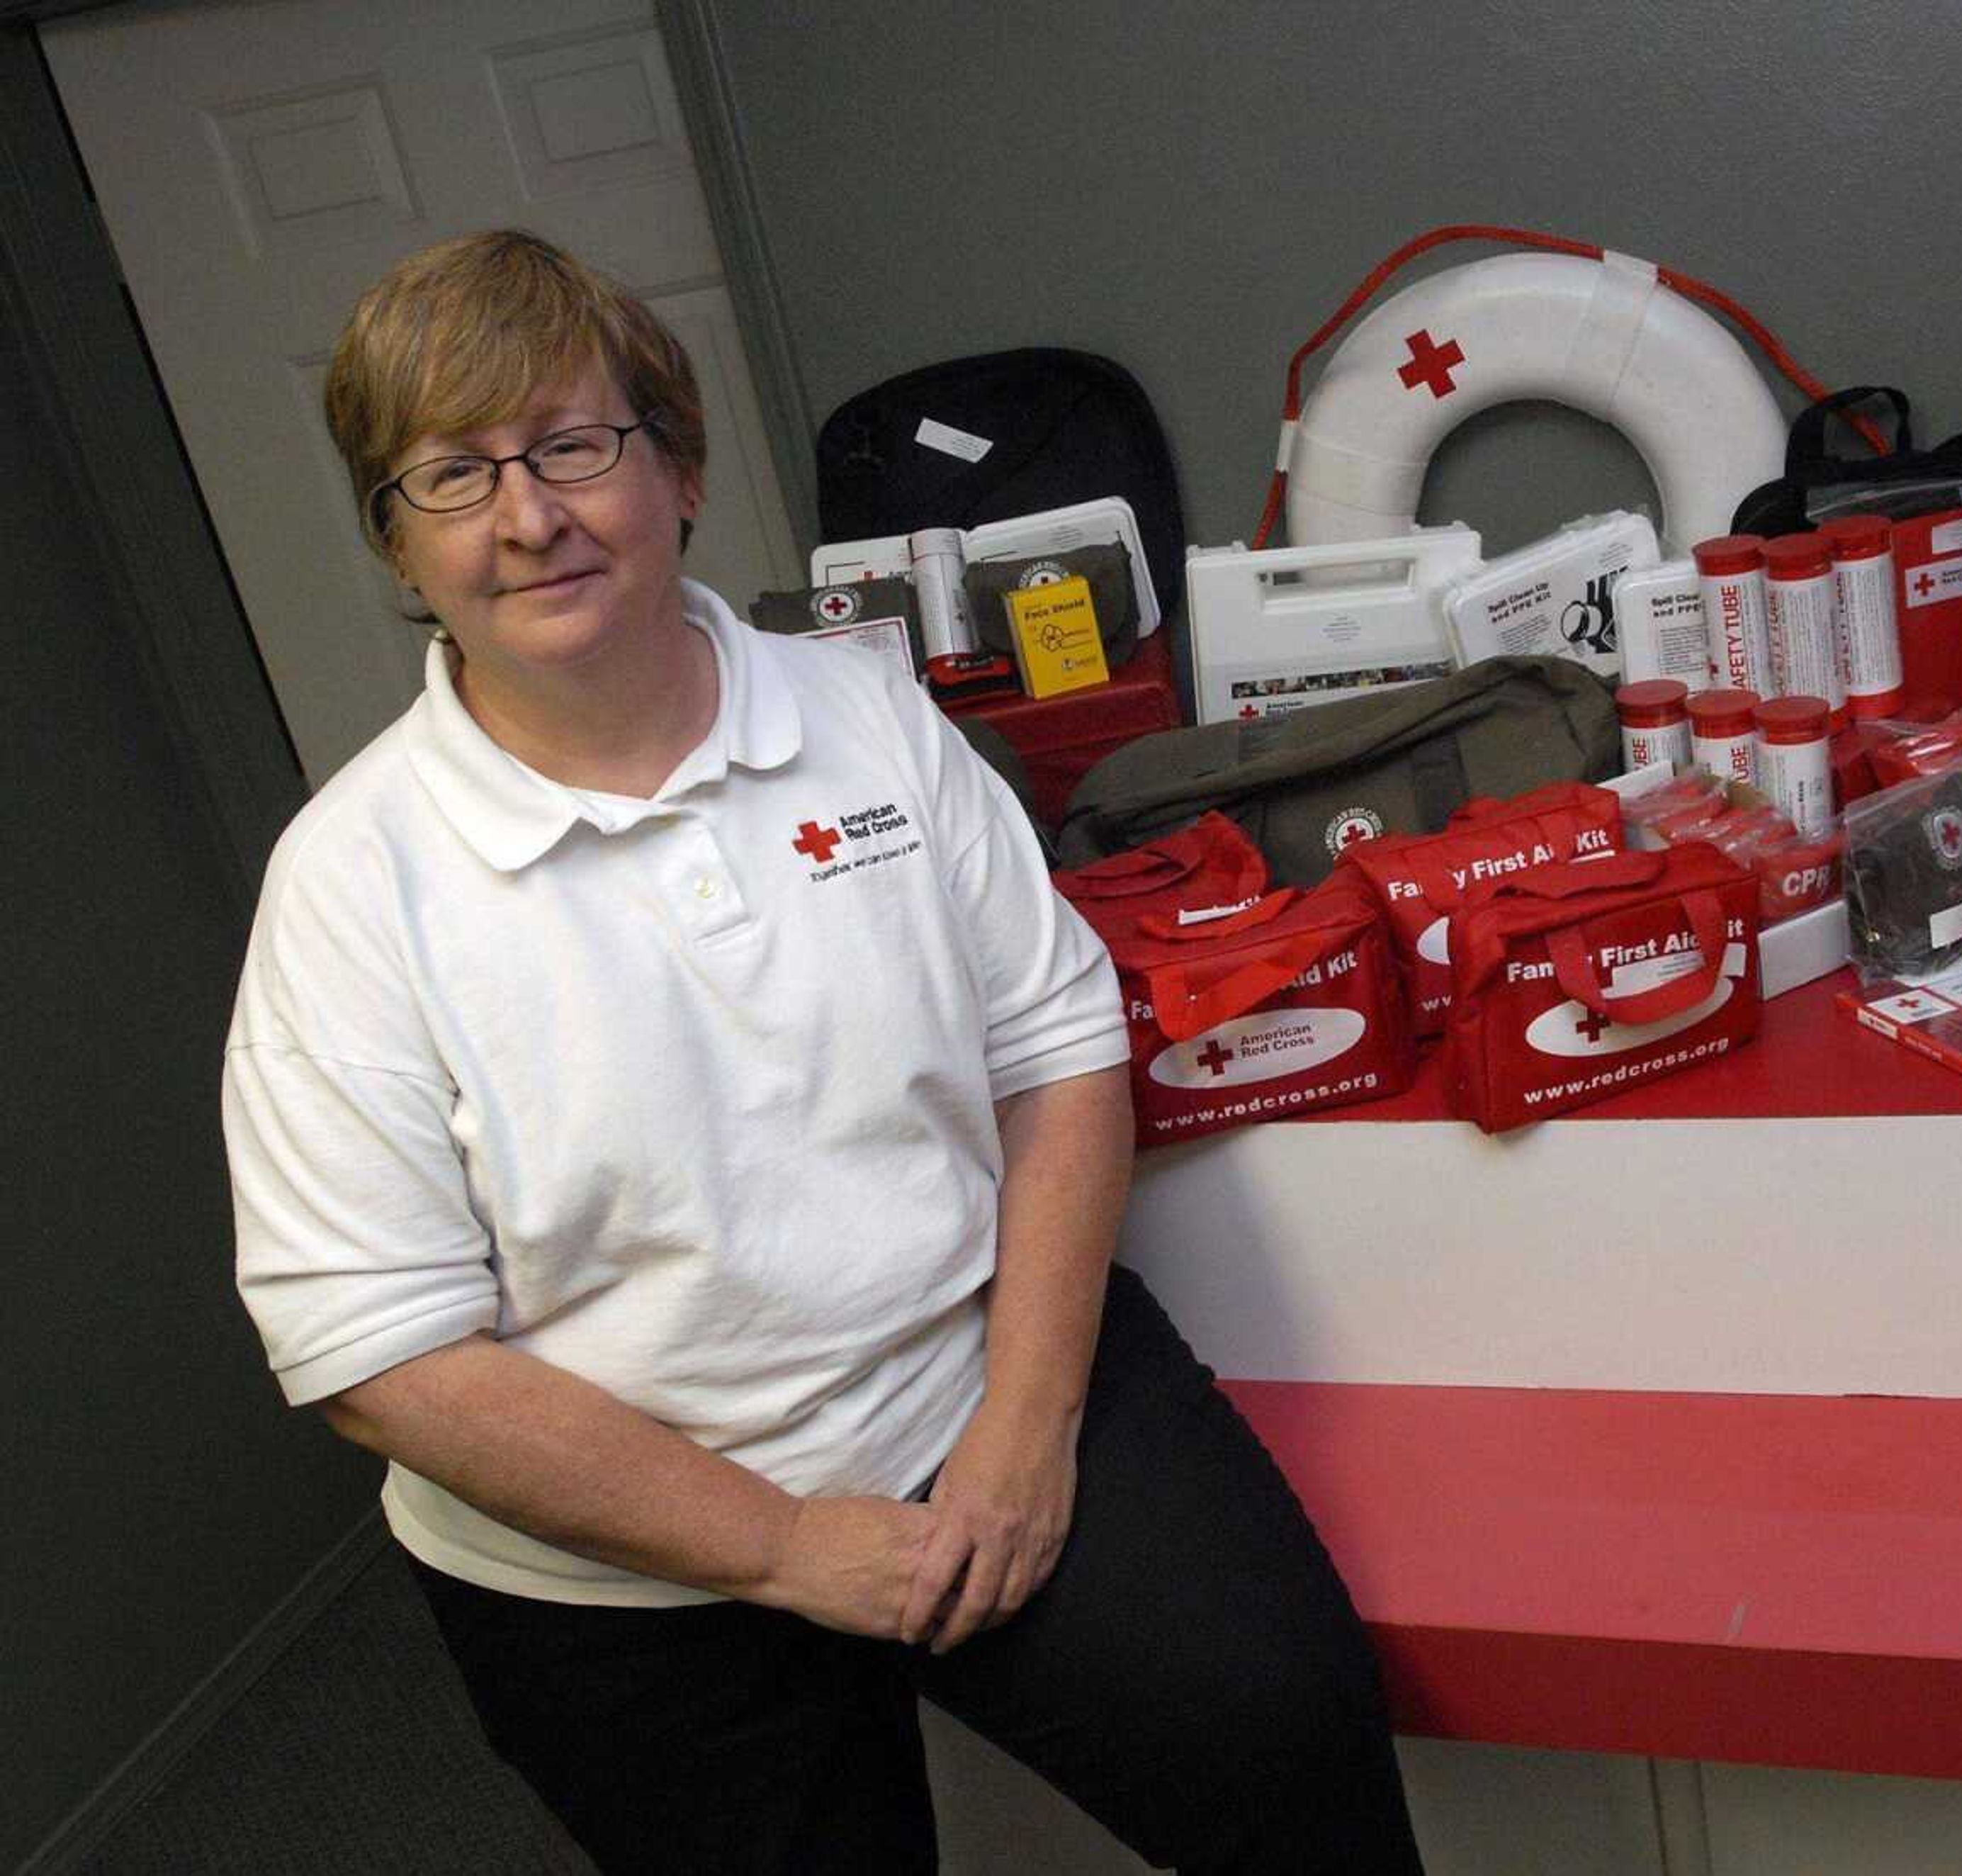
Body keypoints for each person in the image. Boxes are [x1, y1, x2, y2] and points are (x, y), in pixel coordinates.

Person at [222, 229, 1422, 1875]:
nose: (529, 517)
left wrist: (1024, 1419)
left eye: (576, 444)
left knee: (1291, 1749)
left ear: (680, 467)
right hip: (615, 1579)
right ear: (397, 539)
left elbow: (1062, 1048)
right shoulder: (351, 886)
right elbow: (379, 1351)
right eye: (453, 474)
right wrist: (784, 1547)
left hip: (969, 1386)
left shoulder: (865, 717)